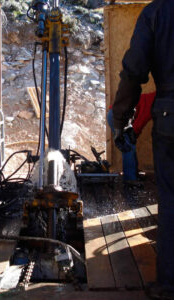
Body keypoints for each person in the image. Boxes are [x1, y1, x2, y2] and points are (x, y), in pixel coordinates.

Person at [112, 0, 174, 298]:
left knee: (171, 200)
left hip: (171, 115)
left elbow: (134, 70)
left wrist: (121, 117)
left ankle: (169, 284)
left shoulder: (157, 12)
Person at [108, 91, 155, 185]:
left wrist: (135, 133)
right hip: (118, 117)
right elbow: (142, 118)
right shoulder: (154, 101)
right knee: (128, 147)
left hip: (118, 115)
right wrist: (135, 132)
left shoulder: (157, 98)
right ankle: (130, 178)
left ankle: (133, 173)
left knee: (130, 145)